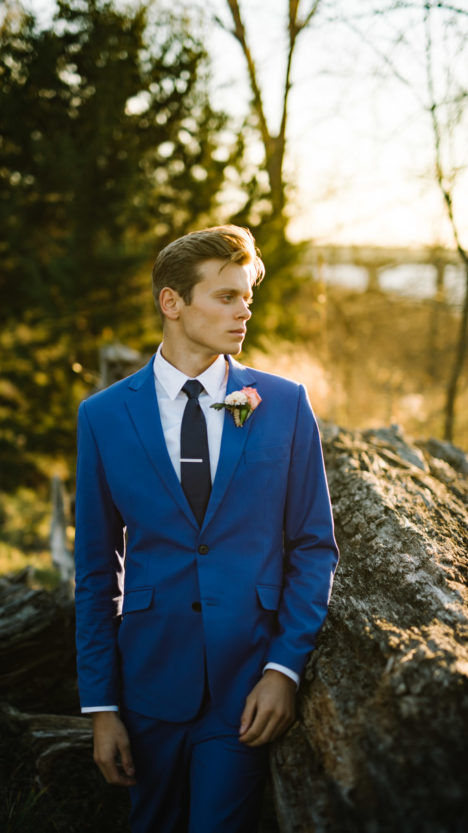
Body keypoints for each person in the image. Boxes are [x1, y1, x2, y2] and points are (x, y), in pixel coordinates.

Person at [74, 225, 338, 833]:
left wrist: (283, 670)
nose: (244, 310)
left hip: (245, 688)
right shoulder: (103, 416)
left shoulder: (285, 403)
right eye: (226, 296)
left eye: (247, 296)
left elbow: (314, 547)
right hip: (145, 686)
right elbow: (94, 571)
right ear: (173, 302)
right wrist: (101, 706)